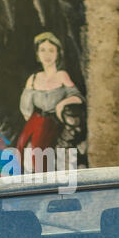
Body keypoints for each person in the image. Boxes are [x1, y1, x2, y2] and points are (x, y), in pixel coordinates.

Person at [17, 32, 86, 171]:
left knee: (58, 162)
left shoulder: (62, 76)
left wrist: (62, 104)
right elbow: (26, 110)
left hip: (56, 124)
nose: (47, 55)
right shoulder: (34, 78)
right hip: (36, 124)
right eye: (42, 50)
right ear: (37, 54)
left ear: (57, 53)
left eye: (51, 50)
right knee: (27, 157)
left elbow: (78, 97)